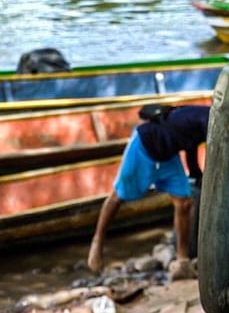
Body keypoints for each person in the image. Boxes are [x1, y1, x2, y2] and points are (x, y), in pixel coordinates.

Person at [87, 104, 210, 278]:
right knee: (118, 196)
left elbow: (190, 144)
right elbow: (211, 150)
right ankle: (97, 243)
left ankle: (182, 261)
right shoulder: (209, 119)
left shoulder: (203, 121)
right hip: (144, 146)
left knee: (184, 202)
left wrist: (196, 175)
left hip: (167, 156)